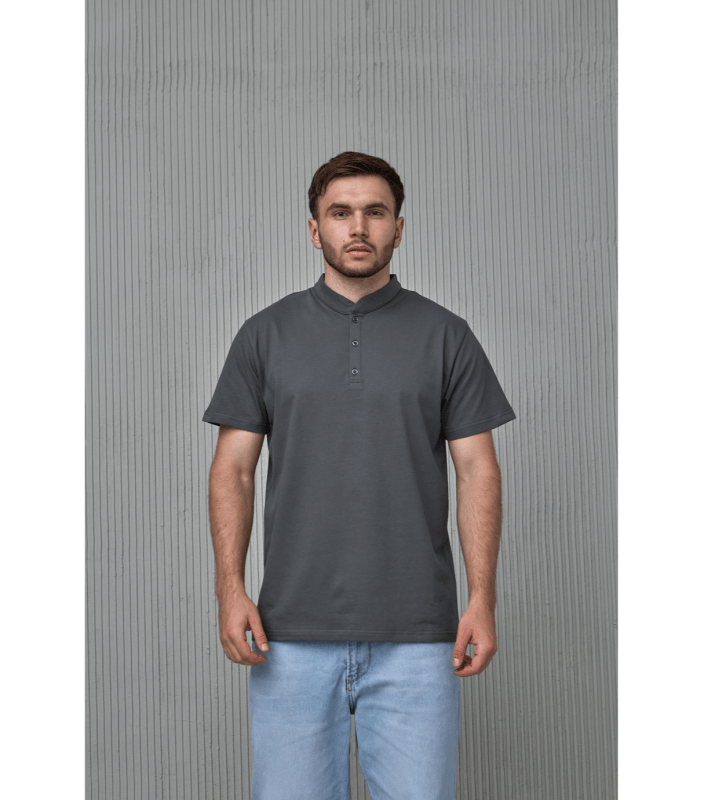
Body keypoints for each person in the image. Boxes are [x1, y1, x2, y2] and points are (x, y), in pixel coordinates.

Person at [202, 151, 516, 800]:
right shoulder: (264, 335)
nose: (357, 227)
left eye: (375, 212)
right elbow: (233, 471)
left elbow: (477, 471)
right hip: (289, 636)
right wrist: (230, 590)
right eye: (339, 212)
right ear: (314, 228)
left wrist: (481, 599)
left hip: (418, 639)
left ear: (398, 227)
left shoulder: (446, 335)